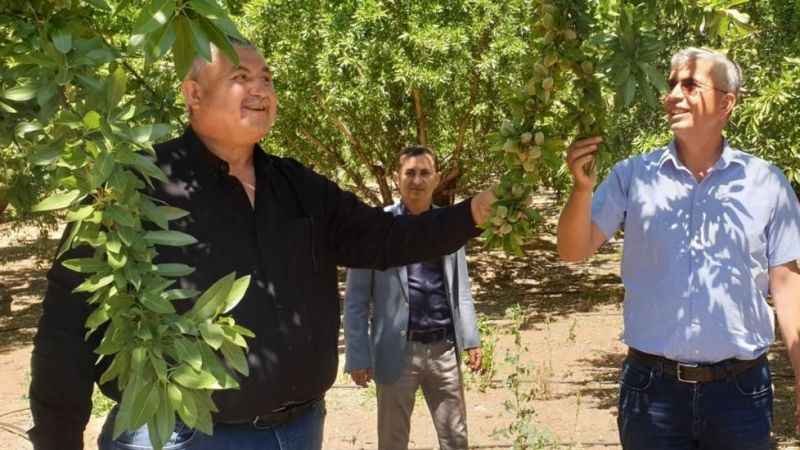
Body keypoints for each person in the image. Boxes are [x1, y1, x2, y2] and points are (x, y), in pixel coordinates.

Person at [28, 38, 496, 450]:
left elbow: (385, 238)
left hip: (298, 430)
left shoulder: (297, 187)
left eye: (267, 79)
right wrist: (57, 439)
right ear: (193, 94)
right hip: (177, 434)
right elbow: (68, 326)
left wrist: (475, 212)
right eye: (241, 77)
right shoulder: (132, 190)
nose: (261, 90)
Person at [557, 47, 800, 450]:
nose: (671, 95)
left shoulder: (766, 183)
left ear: (726, 103)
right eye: (671, 85)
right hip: (652, 393)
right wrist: (581, 191)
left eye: (689, 85)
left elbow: (788, 286)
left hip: (741, 394)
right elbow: (572, 250)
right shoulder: (634, 176)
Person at [344, 145, 482, 450]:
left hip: (444, 350)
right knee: (392, 441)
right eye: (410, 173)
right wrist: (358, 354)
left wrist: (471, 338)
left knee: (456, 438)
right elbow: (355, 300)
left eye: (424, 173)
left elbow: (460, 287)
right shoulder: (374, 226)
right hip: (397, 352)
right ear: (397, 178)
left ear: (437, 178)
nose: (417, 180)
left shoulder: (450, 224)